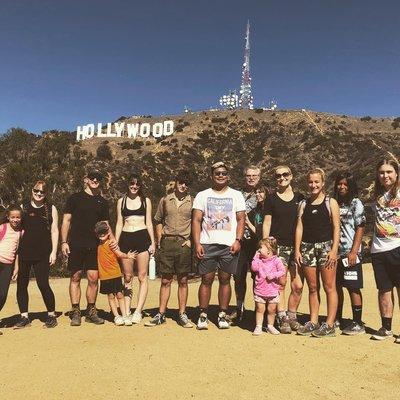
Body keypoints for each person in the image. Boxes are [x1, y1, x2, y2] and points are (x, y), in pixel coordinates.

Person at [192, 161, 246, 330]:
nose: (221, 176)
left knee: (225, 279)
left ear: (228, 176)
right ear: (212, 176)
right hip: (207, 243)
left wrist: (238, 240)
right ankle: (203, 313)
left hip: (228, 244)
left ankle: (222, 314)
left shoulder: (236, 195)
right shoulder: (202, 195)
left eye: (223, 173)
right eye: (217, 173)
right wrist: (197, 243)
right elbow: (196, 220)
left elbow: (241, 219)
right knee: (206, 279)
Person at [295, 168, 340, 338]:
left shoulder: (331, 202)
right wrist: (298, 249)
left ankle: (329, 324)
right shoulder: (303, 204)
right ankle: (313, 321)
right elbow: (299, 227)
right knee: (313, 287)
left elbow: (336, 227)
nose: (313, 185)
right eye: (310, 182)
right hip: (307, 248)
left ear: (322, 183)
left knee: (329, 286)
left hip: (326, 247)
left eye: (317, 182)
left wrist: (334, 250)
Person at [61, 168, 110, 326]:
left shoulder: (102, 202)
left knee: (93, 279)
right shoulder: (75, 198)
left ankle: (91, 311)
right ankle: (75, 311)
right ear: (86, 180)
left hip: (95, 245)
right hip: (75, 243)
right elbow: (66, 221)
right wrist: (63, 242)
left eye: (98, 178)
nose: (95, 180)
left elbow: (106, 225)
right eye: (92, 178)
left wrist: (111, 243)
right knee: (75, 277)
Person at [145, 170, 194, 328]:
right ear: (176, 182)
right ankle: (161, 314)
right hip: (167, 243)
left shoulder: (192, 202)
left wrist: (191, 240)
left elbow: (198, 222)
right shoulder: (165, 200)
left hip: (183, 244)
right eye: (181, 182)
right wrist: (160, 238)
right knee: (166, 280)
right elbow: (158, 219)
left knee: (183, 280)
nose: (183, 185)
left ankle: (182, 314)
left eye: (186, 183)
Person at [263, 166, 305, 334]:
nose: (281, 178)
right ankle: (282, 317)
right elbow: (267, 223)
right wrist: (266, 246)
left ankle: (292, 315)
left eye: (285, 174)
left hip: (296, 247)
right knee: (280, 283)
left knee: (298, 285)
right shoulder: (271, 199)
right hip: (278, 247)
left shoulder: (300, 198)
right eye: (278, 176)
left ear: (291, 176)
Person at [14, 181, 58, 329]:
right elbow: (16, 229)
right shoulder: (23, 207)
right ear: (32, 190)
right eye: (36, 191)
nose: (39, 194)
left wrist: (53, 252)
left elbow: (54, 231)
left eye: (42, 192)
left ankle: (51, 315)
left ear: (46, 194)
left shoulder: (51, 209)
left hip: (43, 253)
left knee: (43, 284)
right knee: (21, 285)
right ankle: (24, 317)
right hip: (24, 252)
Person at [115, 172, 155, 324]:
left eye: (137, 184)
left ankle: (138, 311)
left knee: (142, 276)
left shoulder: (146, 201)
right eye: (132, 183)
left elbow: (149, 222)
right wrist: (117, 243)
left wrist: (153, 242)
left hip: (142, 238)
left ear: (140, 186)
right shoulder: (121, 201)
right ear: (128, 184)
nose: (134, 186)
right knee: (127, 277)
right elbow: (119, 223)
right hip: (126, 238)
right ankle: (126, 312)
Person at [370, 158, 400, 343]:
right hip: (378, 249)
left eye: (389, 172)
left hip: (398, 247)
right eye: (382, 172)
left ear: (396, 173)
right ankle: (386, 327)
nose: (385, 175)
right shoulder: (376, 195)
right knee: (384, 289)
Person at [333, 172, 366, 335]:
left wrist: (354, 251)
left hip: (350, 254)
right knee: (336, 286)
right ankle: (337, 318)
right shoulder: (334, 203)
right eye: (339, 183)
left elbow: (360, 227)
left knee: (353, 287)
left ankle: (357, 322)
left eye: (345, 184)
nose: (342, 187)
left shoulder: (356, 203)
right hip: (335, 254)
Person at [233, 165, 261, 323]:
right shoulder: (236, 195)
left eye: (255, 175)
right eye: (248, 175)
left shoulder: (264, 194)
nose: (251, 178)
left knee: (258, 277)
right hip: (240, 241)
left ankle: (259, 308)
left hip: (257, 243)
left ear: (259, 177)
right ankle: (239, 307)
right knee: (238, 276)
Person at [95, 221, 137, 326]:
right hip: (105, 276)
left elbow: (119, 254)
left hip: (116, 274)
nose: (101, 235)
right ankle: (116, 317)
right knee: (110, 296)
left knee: (119, 295)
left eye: (103, 232)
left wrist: (127, 256)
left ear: (108, 233)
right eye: (99, 233)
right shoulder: (98, 245)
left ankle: (125, 315)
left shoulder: (111, 243)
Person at [251, 237, 286, 335]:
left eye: (261, 248)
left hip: (272, 290)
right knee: (260, 309)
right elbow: (254, 268)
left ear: (269, 251)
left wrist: (273, 275)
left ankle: (270, 326)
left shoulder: (277, 260)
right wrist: (255, 256)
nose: (259, 249)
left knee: (272, 310)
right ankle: (258, 326)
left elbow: (282, 271)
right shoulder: (259, 260)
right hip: (260, 290)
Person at [0, 206, 23, 335]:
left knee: (2, 295)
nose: (15, 219)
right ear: (8, 217)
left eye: (18, 217)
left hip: (8, 265)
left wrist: (17, 267)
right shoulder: (2, 228)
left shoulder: (21, 232)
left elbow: (18, 252)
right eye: (13, 217)